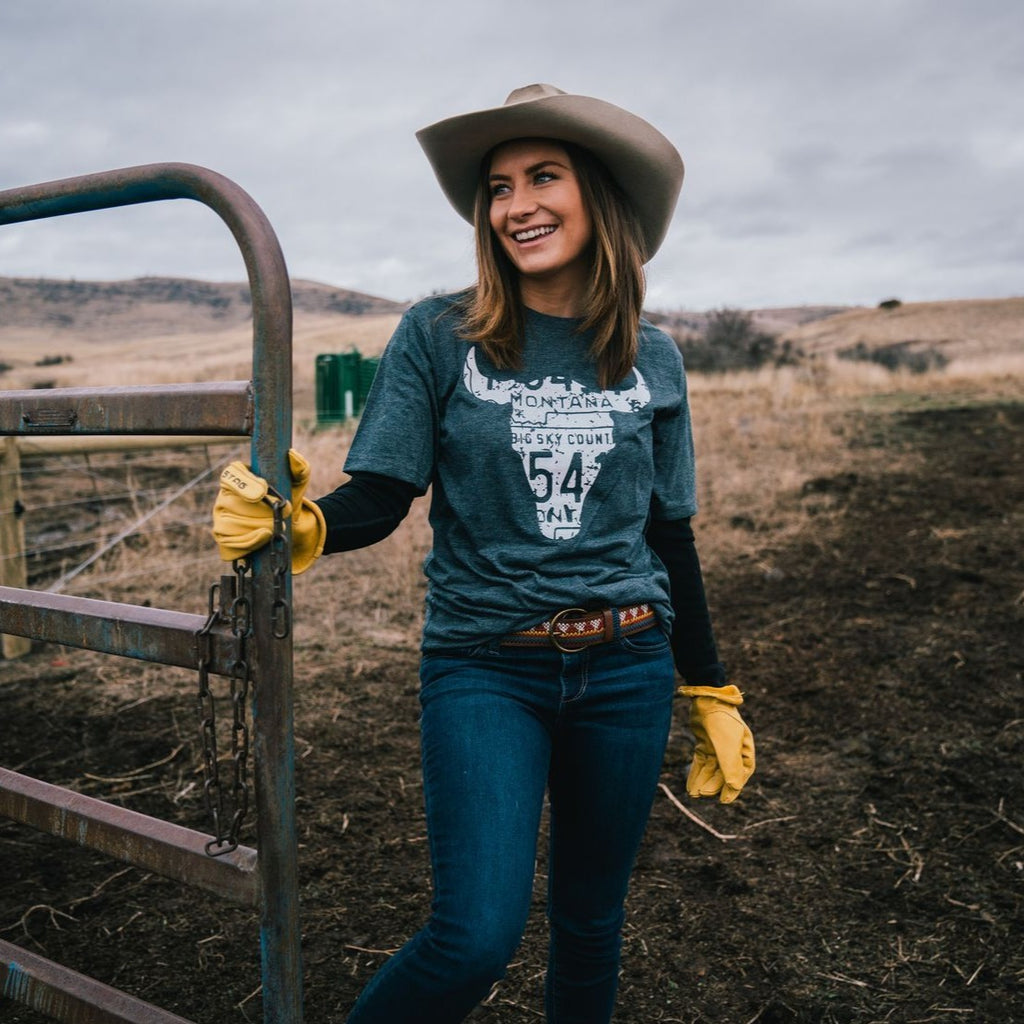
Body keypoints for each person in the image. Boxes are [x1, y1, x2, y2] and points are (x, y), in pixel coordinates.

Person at [212, 83, 755, 1024]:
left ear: (602, 196)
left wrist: (708, 686)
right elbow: (384, 495)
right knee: (475, 935)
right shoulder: (439, 335)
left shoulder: (653, 357)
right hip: (485, 667)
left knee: (592, 923)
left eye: (544, 177)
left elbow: (670, 533)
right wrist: (302, 525)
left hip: (628, 664)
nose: (517, 206)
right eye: (499, 187)